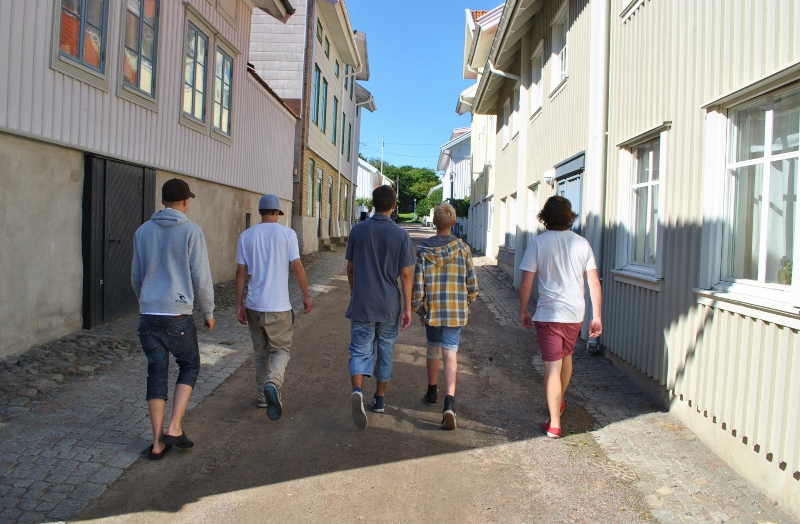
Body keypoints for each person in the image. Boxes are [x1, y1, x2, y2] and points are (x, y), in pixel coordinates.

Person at [131, 178, 215, 460]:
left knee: (156, 371)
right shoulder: (191, 231)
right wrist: (208, 312)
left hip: (149, 314)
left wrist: (146, 302)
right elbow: (201, 278)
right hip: (177, 314)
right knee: (189, 365)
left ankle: (157, 443)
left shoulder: (143, 231)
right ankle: (174, 427)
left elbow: (136, 275)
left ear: (163, 201)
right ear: (185, 202)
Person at [518, 196, 602, 438]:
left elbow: (526, 282)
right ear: (569, 217)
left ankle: (554, 422)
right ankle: (559, 401)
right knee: (566, 357)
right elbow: (594, 282)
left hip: (549, 314)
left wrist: (523, 310)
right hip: (574, 314)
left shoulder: (538, 243)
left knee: (552, 366)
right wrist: (597, 315)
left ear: (546, 217)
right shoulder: (582, 244)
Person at [235, 194, 312, 421]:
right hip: (279, 306)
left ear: (260, 212)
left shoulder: (246, 236)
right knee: (281, 350)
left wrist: (238, 305)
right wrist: (306, 295)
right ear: (278, 212)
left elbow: (240, 273)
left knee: (261, 353)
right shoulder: (288, 234)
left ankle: (261, 396)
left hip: (254, 305)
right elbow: (297, 267)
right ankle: (273, 382)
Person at [346, 185, 415, 430]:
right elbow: (406, 274)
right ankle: (380, 398)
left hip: (363, 302)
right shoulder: (401, 235)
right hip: (388, 304)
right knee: (385, 349)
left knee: (359, 349)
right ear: (394, 206)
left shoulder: (358, 230)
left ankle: (357, 390)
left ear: (373, 204)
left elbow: (351, 268)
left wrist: (354, 291)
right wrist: (408, 307)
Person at [412, 203, 478, 430]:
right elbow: (472, 285)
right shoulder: (463, 249)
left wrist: (421, 309)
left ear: (434, 222)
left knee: (433, 349)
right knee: (450, 352)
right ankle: (449, 402)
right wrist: (464, 304)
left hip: (433, 312)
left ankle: (432, 393)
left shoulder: (423, 250)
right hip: (455, 312)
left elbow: (417, 288)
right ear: (453, 223)